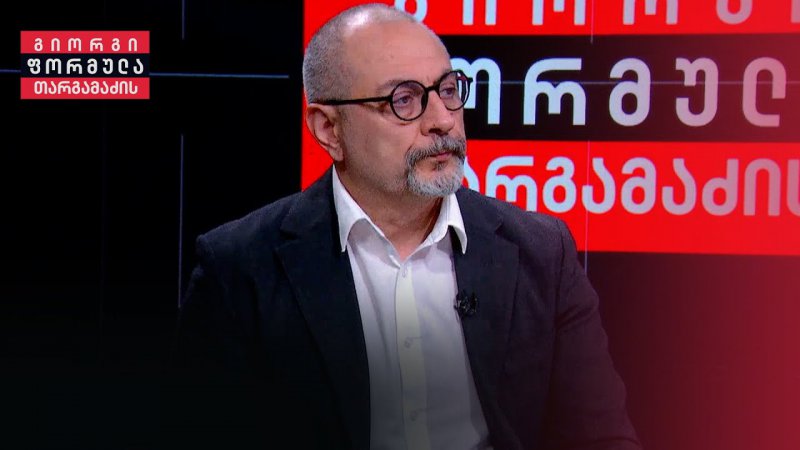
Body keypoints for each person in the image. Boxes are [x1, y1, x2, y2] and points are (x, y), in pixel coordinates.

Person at [175, 3, 641, 450]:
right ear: (328, 130)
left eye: (449, 90)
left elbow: (600, 437)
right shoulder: (239, 270)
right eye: (404, 100)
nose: (442, 121)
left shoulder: (540, 252)